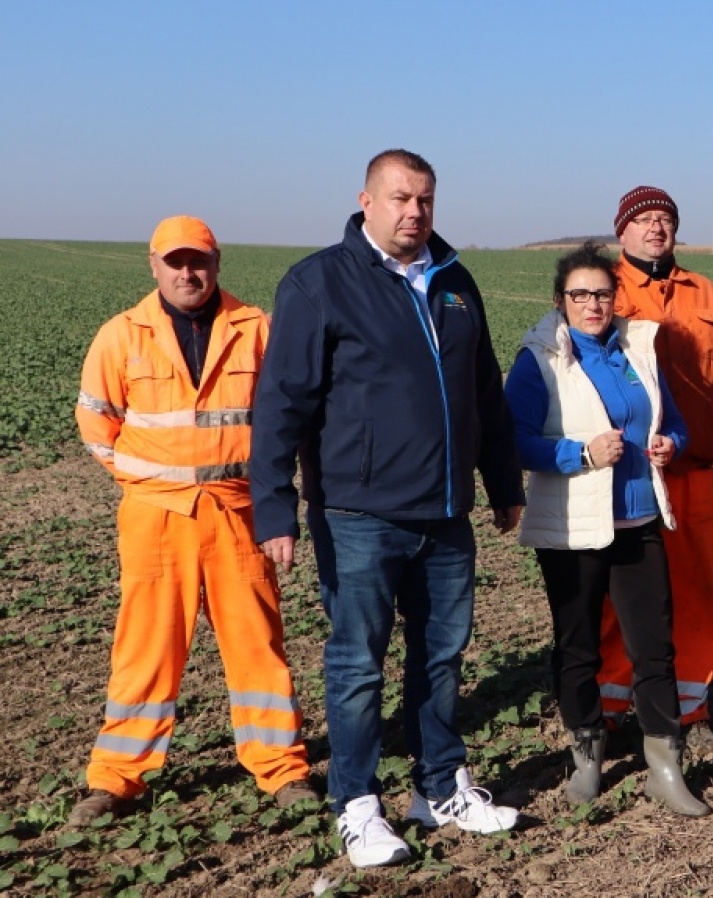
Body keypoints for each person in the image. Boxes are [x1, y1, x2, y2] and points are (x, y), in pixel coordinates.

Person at [250, 149, 525, 867]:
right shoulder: (320, 284)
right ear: (366, 201)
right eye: (401, 198)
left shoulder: (455, 282)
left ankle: (439, 787)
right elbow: (282, 404)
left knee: (442, 656)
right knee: (356, 664)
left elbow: (484, 393)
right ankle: (357, 803)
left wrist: (503, 484)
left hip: (445, 513)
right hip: (359, 514)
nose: (415, 212)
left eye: (426, 200)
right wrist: (273, 506)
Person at [69, 215, 316, 827]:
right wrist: (150, 483)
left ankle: (281, 767)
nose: (187, 272)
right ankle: (116, 778)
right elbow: (96, 426)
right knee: (145, 649)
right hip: (156, 519)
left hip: (238, 513)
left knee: (257, 645)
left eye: (198, 261)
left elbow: (288, 414)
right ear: (152, 265)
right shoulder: (121, 336)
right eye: (175, 262)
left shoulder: (256, 328)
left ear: (216, 262)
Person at [505, 242, 710, 817]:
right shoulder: (540, 359)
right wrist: (580, 453)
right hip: (573, 526)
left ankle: (665, 766)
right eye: (580, 295)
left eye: (602, 293)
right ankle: (587, 759)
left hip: (640, 518)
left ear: (615, 297)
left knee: (654, 647)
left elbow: (674, 422)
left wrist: (673, 445)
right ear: (561, 300)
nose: (593, 304)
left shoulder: (637, 348)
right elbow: (513, 441)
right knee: (578, 646)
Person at [597, 187, 713, 759]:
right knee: (618, 594)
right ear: (622, 231)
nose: (655, 228)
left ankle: (691, 709)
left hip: (692, 473)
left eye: (664, 219)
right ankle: (612, 706)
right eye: (643, 219)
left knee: (693, 593)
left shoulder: (708, 295)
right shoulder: (602, 292)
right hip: (623, 478)